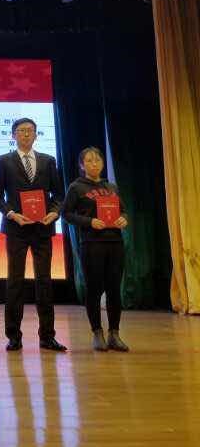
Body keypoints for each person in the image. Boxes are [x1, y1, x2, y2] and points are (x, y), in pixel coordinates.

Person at [0, 117, 67, 352]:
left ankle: (47, 336)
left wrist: (54, 212)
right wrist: (12, 214)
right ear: (13, 135)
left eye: (30, 131)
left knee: (44, 281)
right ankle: (13, 336)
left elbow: (59, 195)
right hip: (16, 228)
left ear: (36, 135)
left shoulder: (48, 160)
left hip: (42, 227)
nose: (26, 134)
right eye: (21, 130)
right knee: (15, 281)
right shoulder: (3, 161)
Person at [62, 147, 129, 352]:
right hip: (92, 244)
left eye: (97, 160)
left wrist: (123, 219)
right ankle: (97, 333)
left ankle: (114, 334)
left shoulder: (112, 187)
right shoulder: (76, 187)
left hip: (115, 243)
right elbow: (67, 214)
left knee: (114, 289)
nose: (94, 164)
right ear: (82, 165)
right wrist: (89, 221)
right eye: (89, 161)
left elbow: (124, 211)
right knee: (93, 289)